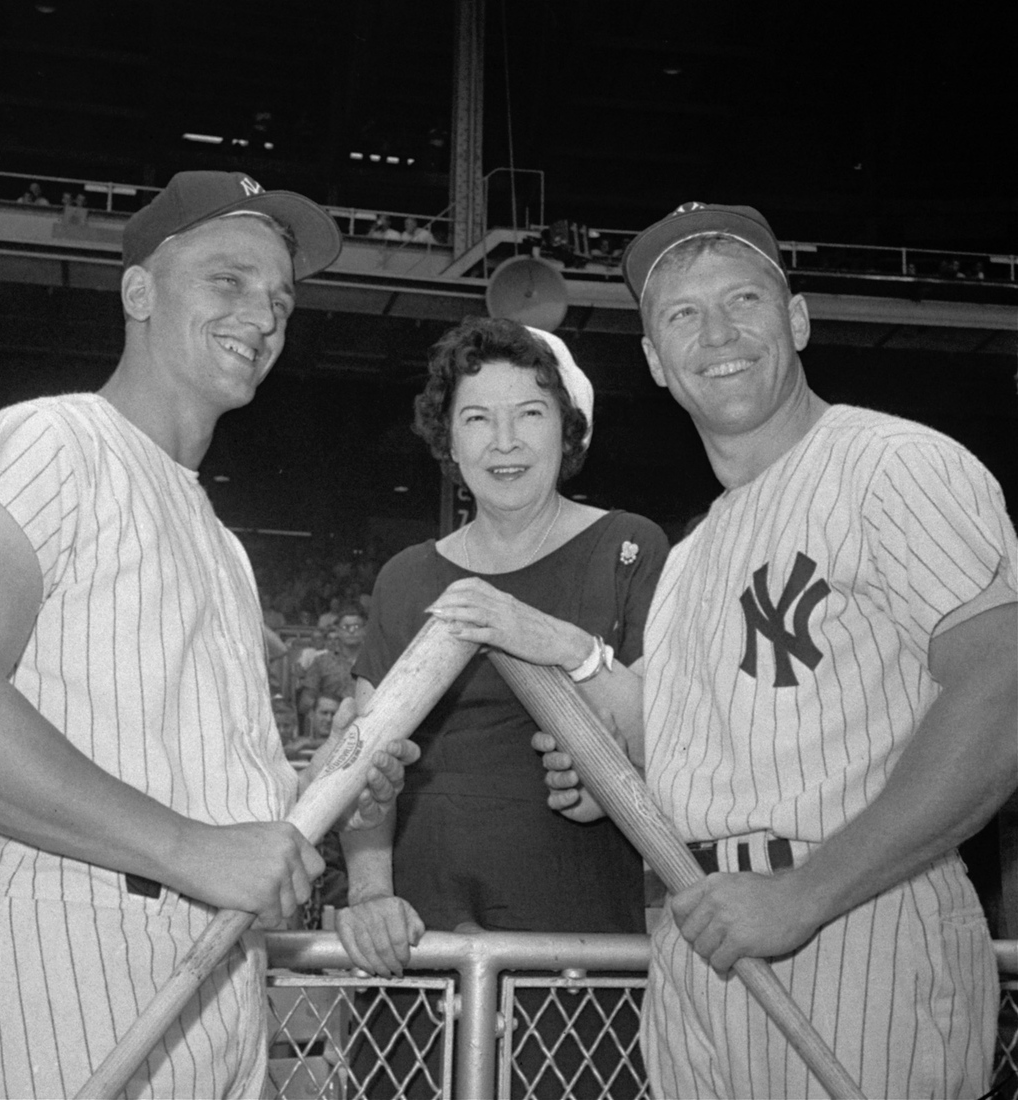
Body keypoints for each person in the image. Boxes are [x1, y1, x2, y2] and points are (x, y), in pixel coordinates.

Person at [432, 202, 1017, 1099]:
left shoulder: (890, 464)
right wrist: (613, 768)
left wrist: (806, 893)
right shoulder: (697, 551)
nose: (719, 333)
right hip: (699, 938)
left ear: (797, 319)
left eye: (743, 299)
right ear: (659, 365)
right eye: (682, 316)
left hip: (850, 924)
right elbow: (681, 743)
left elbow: (1002, 687)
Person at [0, 170, 420, 1099]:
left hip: (215, 978)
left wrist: (320, 793)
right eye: (227, 281)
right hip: (60, 960)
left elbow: (194, 785)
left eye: (280, 298)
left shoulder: (223, 547)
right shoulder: (57, 441)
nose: (263, 316)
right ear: (140, 291)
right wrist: (193, 847)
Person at [334, 315, 669, 1097]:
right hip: (423, 948)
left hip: (580, 949)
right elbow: (362, 763)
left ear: (568, 430)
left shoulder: (629, 548)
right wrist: (370, 891)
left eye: (530, 414)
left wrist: (560, 649)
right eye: (477, 419)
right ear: (449, 441)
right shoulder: (406, 578)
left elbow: (669, 732)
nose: (504, 442)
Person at [297, 603, 367, 724]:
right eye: (346, 627)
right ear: (338, 630)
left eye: (356, 626)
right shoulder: (322, 661)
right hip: (331, 725)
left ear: (364, 630)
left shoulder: (375, 662)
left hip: (367, 724)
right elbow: (306, 702)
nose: (351, 631)